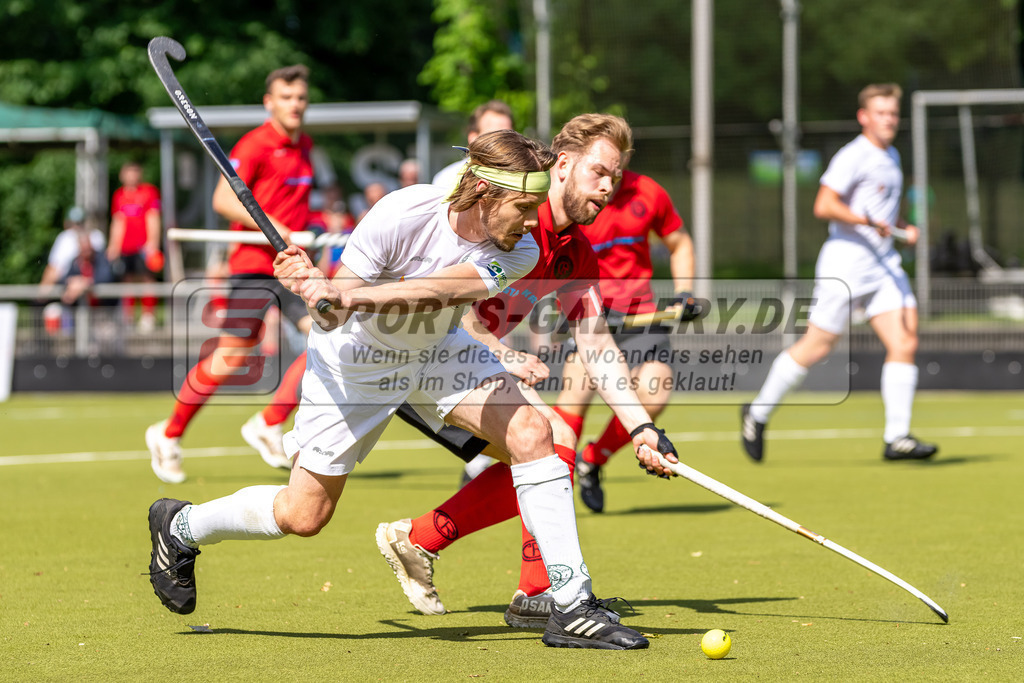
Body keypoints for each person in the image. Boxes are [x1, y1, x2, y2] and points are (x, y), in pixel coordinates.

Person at [146, 129, 672, 650]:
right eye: (524, 206)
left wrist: (641, 426)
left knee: (537, 433)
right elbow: (330, 316)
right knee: (303, 516)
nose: (534, 220)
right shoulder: (402, 212)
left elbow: (439, 292)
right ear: (486, 192)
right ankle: (182, 526)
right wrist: (316, 290)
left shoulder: (522, 247)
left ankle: (570, 602)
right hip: (357, 367)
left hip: (438, 348)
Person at [374, 114, 682, 629]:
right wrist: (503, 352)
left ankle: (486, 568)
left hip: (459, 364)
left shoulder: (575, 251)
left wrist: (642, 428)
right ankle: (481, 563)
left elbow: (596, 344)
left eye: (616, 178)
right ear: (563, 164)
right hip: (414, 356)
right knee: (551, 439)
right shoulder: (508, 214)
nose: (608, 188)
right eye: (599, 172)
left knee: (547, 446)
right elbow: (444, 292)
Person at [740, 83, 938, 462]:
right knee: (817, 346)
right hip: (846, 264)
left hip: (882, 265)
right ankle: (758, 412)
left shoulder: (892, 154)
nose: (889, 120)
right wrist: (866, 220)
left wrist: (901, 227)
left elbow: (882, 210)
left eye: (893, 113)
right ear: (864, 117)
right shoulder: (853, 155)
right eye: (881, 113)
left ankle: (897, 438)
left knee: (905, 343)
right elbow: (824, 205)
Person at [145, 64, 317, 483]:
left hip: (292, 267)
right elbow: (224, 198)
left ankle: (269, 422)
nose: (294, 105)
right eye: (286, 97)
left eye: (300, 98)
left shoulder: (305, 145)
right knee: (229, 359)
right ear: (269, 102)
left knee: (327, 337)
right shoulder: (257, 144)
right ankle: (168, 435)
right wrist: (274, 226)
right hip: (254, 268)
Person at [551, 164, 697, 513]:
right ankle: (555, 486)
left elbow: (679, 243)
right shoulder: (570, 197)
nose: (607, 182)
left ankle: (593, 459)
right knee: (576, 395)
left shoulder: (649, 192)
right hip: (590, 309)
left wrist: (685, 292)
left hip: (642, 315)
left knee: (655, 389)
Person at [107, 161, 163, 332]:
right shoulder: (118, 196)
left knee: (147, 279)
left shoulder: (149, 192)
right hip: (126, 247)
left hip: (143, 246)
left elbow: (153, 217)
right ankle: (128, 316)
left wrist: (152, 242)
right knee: (127, 280)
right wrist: (113, 245)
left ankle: (148, 316)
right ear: (122, 175)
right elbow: (118, 221)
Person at [432, 100, 515, 191]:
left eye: (509, 135)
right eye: (494, 135)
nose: (504, 141)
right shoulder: (447, 179)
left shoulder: (521, 178)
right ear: (473, 138)